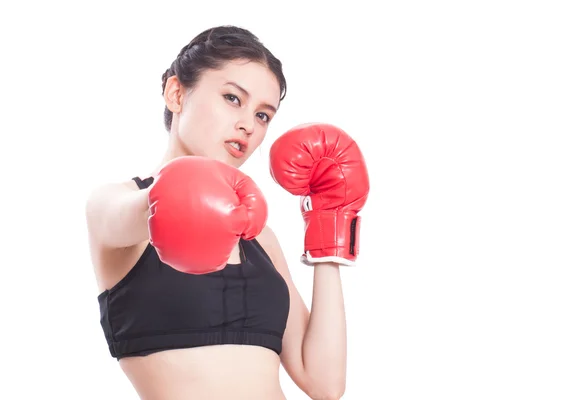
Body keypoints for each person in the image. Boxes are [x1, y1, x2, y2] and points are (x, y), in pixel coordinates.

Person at [85, 25, 369, 400]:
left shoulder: (259, 235)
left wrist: (329, 224)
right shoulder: (116, 203)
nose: (248, 125)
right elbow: (140, 213)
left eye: (264, 115)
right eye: (233, 98)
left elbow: (324, 383)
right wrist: (182, 191)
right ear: (176, 93)